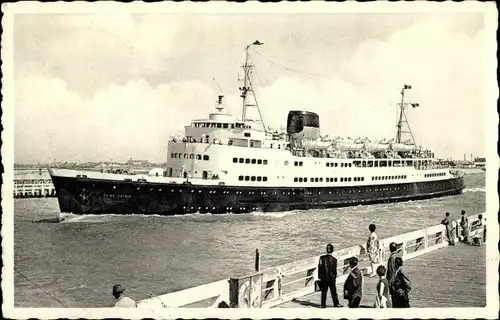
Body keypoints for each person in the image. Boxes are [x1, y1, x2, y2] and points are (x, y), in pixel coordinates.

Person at [317, 244, 342, 308]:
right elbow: (334, 270)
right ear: (332, 250)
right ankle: (336, 303)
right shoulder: (334, 260)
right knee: (334, 291)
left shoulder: (321, 258)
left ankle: (323, 304)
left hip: (324, 277)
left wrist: (319, 277)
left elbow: (319, 268)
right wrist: (334, 277)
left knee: (324, 292)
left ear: (326, 250)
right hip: (331, 278)